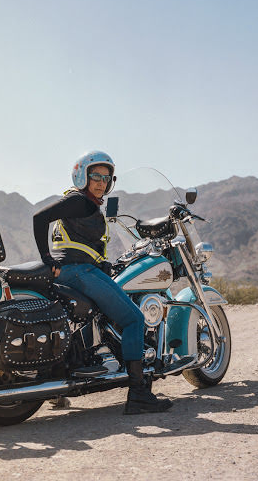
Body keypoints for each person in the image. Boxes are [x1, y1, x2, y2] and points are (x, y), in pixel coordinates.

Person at [33, 150, 173, 414]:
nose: (100, 181)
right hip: (79, 272)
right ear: (82, 176)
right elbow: (39, 218)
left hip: (74, 270)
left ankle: (59, 388)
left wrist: (102, 263)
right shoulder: (80, 202)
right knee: (133, 319)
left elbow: (78, 242)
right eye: (95, 175)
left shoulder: (83, 203)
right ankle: (139, 393)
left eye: (106, 177)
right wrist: (46, 257)